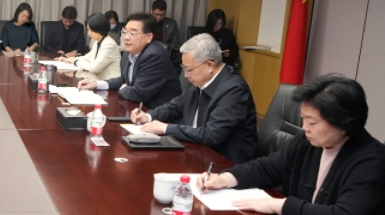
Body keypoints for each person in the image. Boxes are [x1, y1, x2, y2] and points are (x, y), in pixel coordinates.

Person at [200, 74, 385, 215]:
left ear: (343, 124)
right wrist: (225, 178)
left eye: (312, 122)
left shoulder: (372, 163)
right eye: (303, 118)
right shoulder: (308, 143)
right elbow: (268, 167)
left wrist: (279, 205)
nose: (304, 127)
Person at [133, 33, 259, 164]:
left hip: (224, 164)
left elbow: (211, 135)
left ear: (209, 65)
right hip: (196, 153)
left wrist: (165, 128)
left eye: (189, 69)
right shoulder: (202, 81)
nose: (186, 75)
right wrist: (149, 116)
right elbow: (174, 107)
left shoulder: (234, 90)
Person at [79, 14, 181, 109]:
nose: (126, 38)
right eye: (125, 32)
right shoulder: (128, 53)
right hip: (136, 108)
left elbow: (138, 94)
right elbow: (124, 80)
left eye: (132, 33)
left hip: (157, 113)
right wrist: (97, 84)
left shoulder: (154, 56)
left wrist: (123, 88)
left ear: (148, 37)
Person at [63, 13, 122, 80]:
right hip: (98, 80)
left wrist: (75, 62)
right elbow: (88, 57)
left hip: (110, 83)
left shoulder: (109, 45)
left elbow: (94, 68)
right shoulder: (98, 41)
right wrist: (70, 59)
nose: (89, 33)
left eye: (92, 30)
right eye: (88, 30)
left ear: (100, 29)